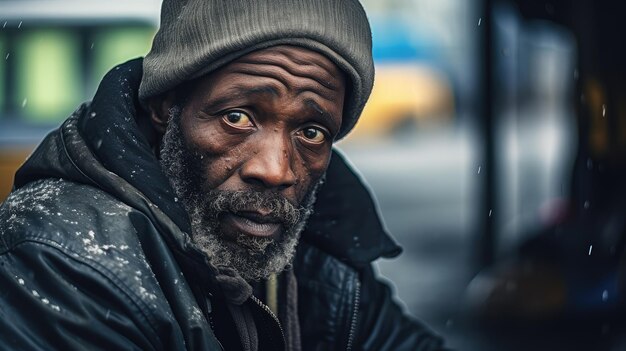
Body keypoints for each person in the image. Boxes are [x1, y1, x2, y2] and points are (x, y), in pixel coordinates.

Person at [0, 0, 447, 350]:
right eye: (237, 117)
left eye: (311, 131)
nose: (274, 170)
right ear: (165, 105)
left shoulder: (322, 250)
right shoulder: (69, 260)